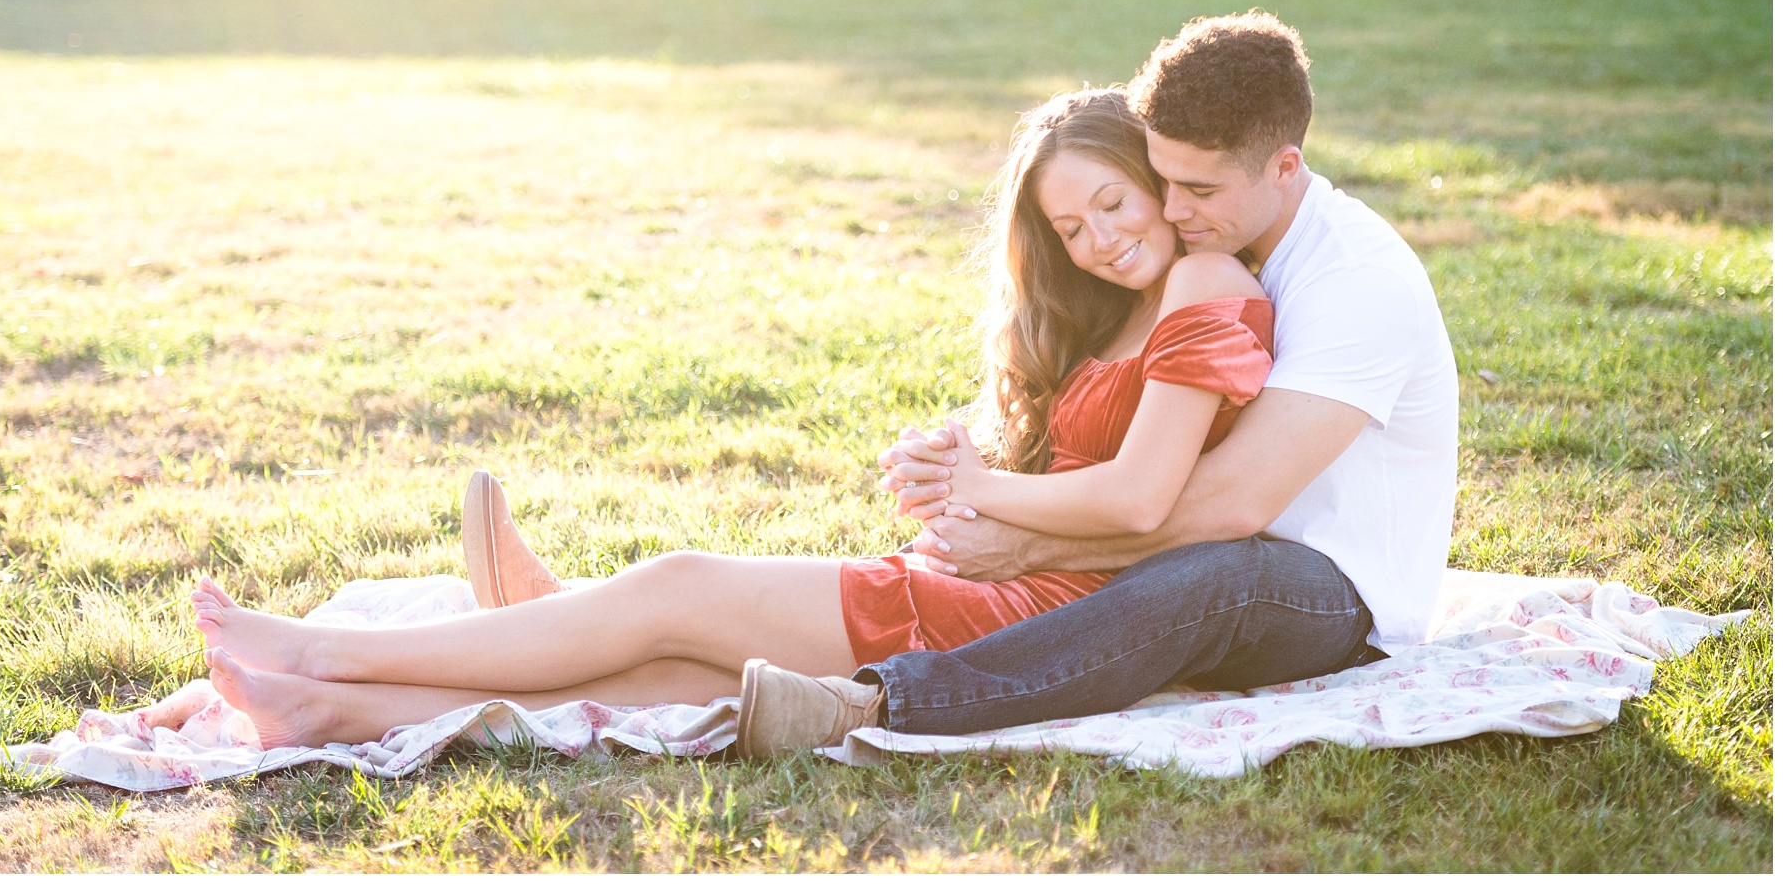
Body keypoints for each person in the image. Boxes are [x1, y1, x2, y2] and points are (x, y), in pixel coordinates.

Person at [185, 86, 1276, 751]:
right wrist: (967, 460)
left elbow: (1143, 492)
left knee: (681, 586)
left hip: (1051, 612)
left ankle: (328, 648)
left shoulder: (1205, 279)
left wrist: (982, 492)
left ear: (1158, 181)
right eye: (1068, 225)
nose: (1095, 240)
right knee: (679, 677)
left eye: (1113, 204)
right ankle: (329, 709)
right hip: (1022, 580)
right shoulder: (1126, 306)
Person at [736, 10, 1459, 756]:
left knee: (1220, 575)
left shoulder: (1357, 278)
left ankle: (884, 704)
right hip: (1197, 553)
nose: (1175, 210)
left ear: (1283, 165)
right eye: (1163, 181)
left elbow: (1233, 502)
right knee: (1194, 570)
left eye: (1200, 190)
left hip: (1331, 596)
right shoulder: (1222, 250)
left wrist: (1028, 547)